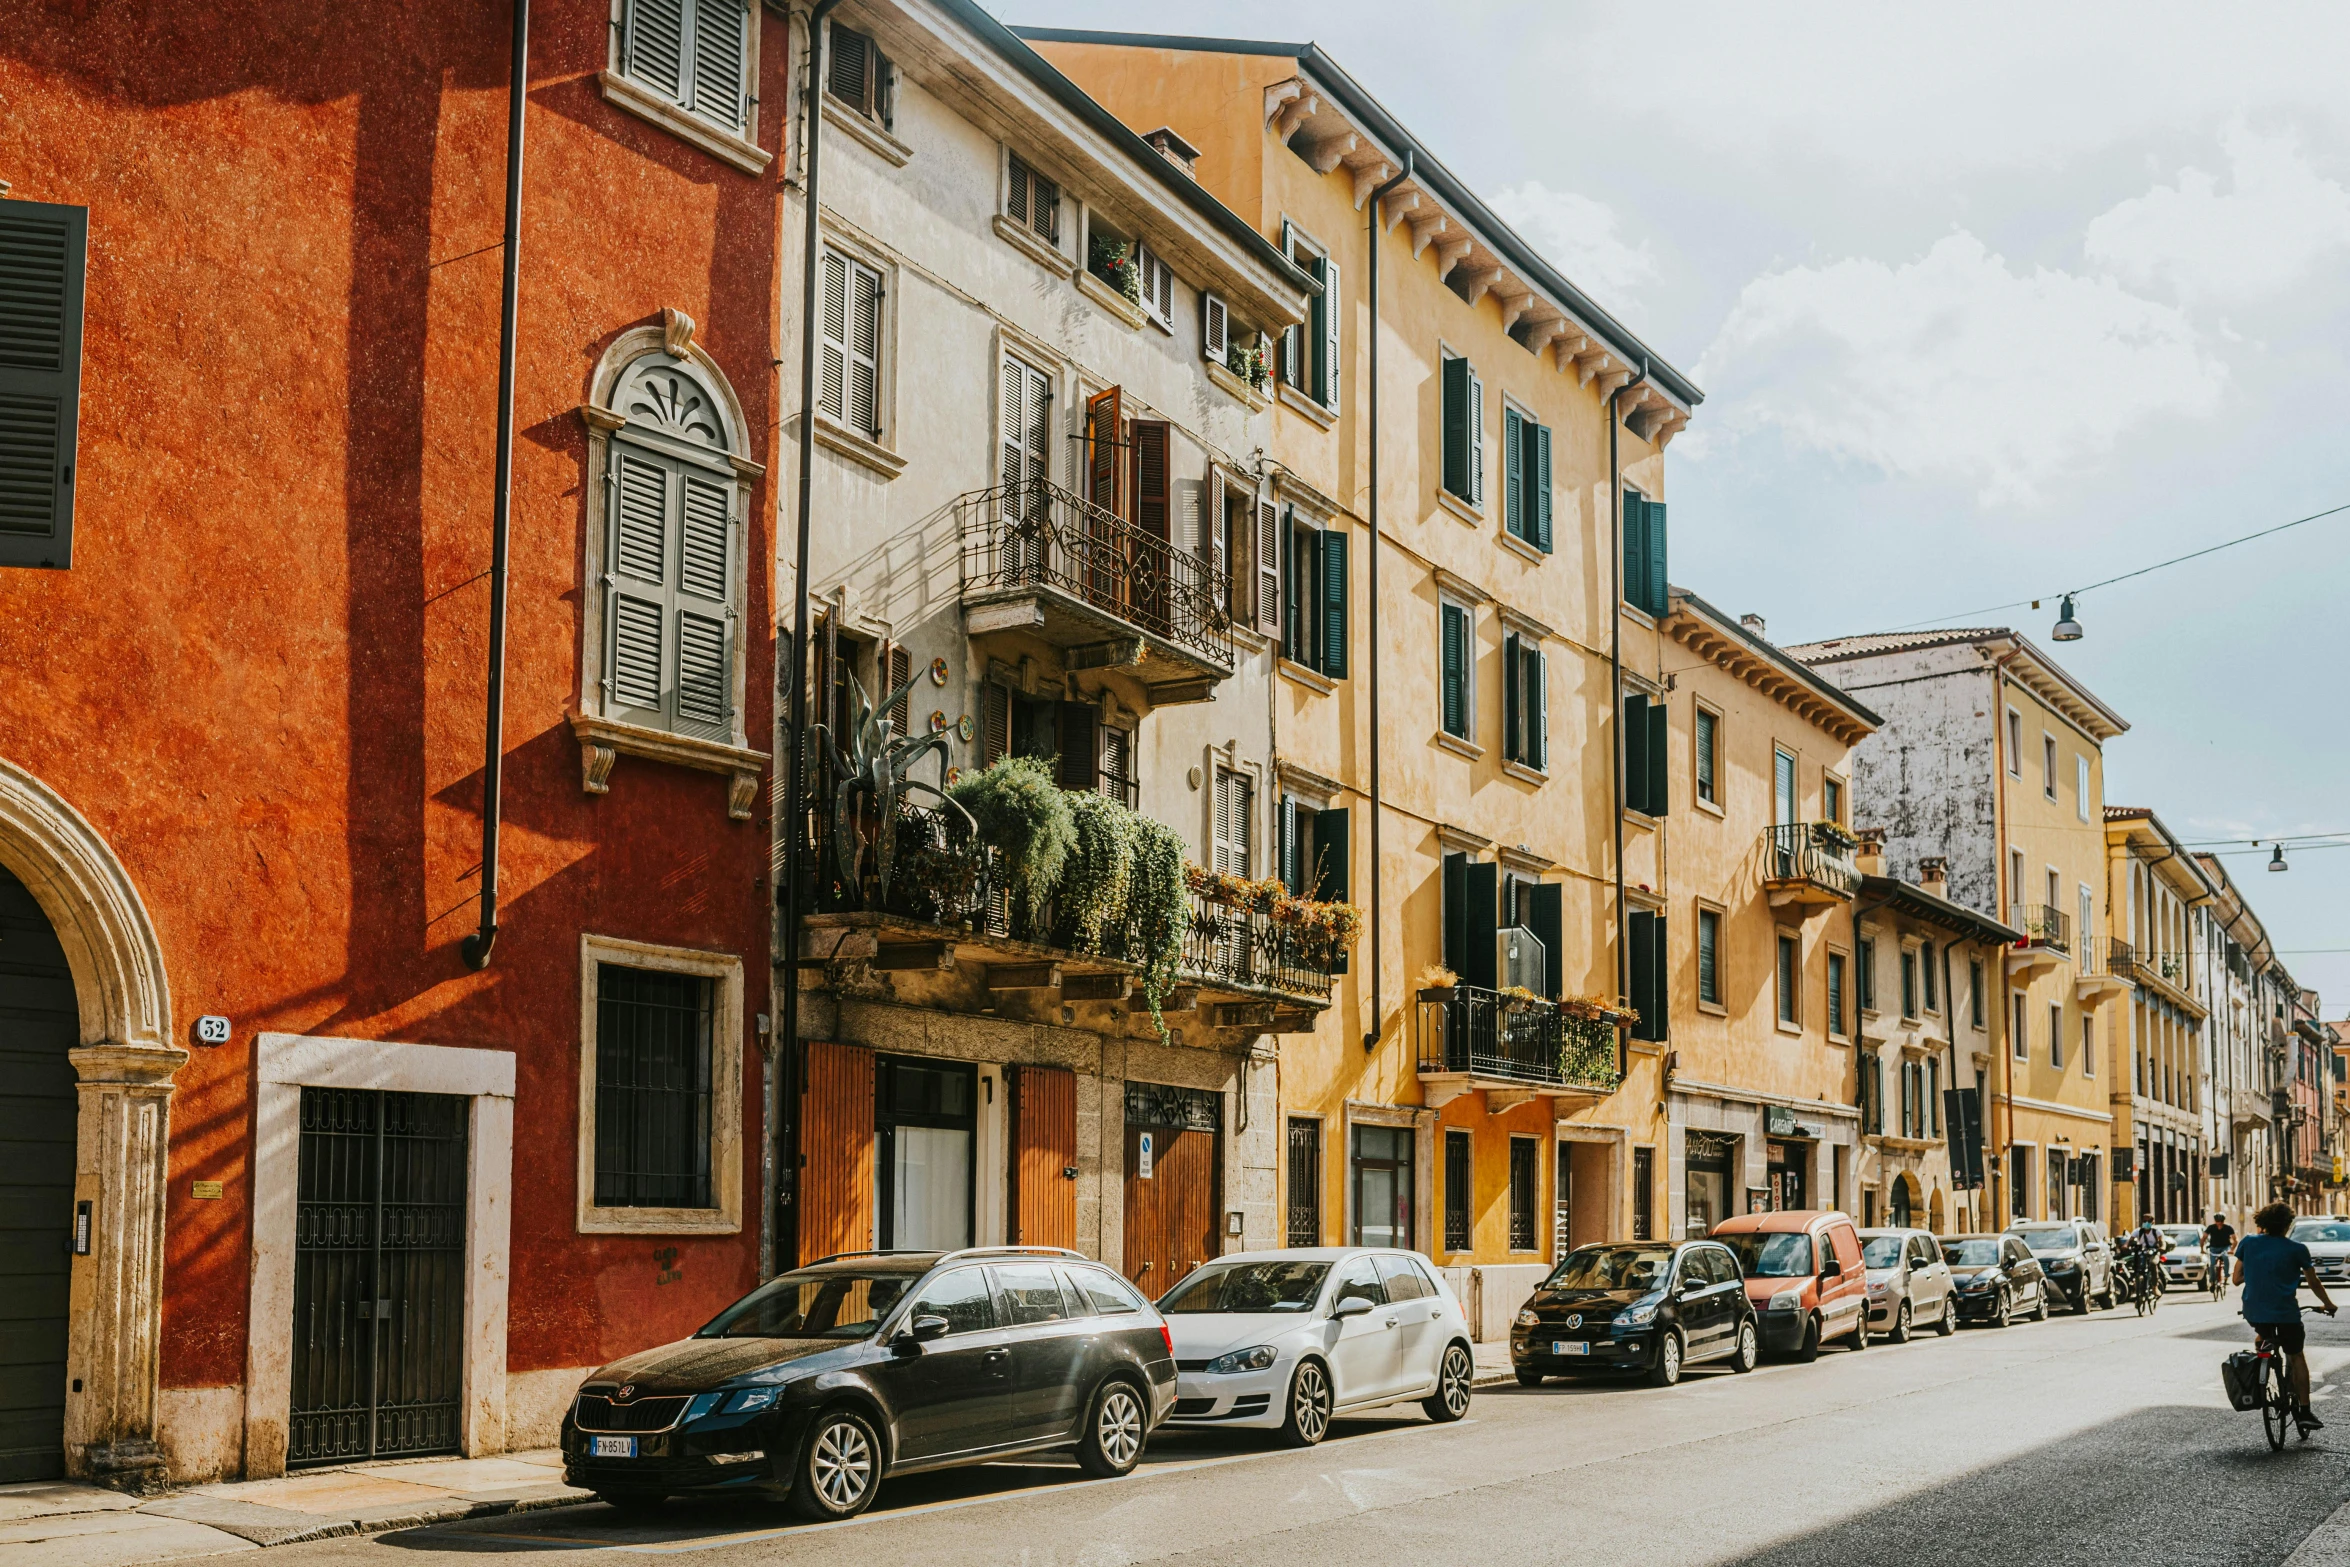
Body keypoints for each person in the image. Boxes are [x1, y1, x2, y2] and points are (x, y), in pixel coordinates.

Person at [2235, 1201, 2339, 1432]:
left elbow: (2236, 1278)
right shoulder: (2297, 1249)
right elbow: (2314, 1282)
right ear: (2287, 1225)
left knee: (2263, 1335)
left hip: (2255, 1313)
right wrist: (2328, 1304)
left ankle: (2262, 1364)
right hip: (2286, 1314)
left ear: (2262, 1223)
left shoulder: (2248, 1243)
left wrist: (2256, 1272)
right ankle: (2304, 1410)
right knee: (2296, 1356)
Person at [2203, 1211, 2237, 1298]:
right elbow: (2203, 1238)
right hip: (2213, 1247)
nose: (2219, 1223)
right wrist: (2202, 1248)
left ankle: (2226, 1275)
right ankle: (2212, 1282)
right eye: (2217, 1221)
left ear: (2223, 1221)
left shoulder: (2228, 1228)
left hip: (2225, 1247)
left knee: (2225, 1257)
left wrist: (2232, 1249)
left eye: (2221, 1221)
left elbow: (2235, 1239)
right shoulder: (2211, 1228)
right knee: (2212, 1265)